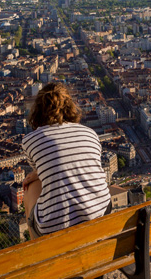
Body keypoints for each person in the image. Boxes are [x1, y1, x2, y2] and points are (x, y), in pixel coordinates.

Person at [21, 82, 111, 238]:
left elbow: (47, 165)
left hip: (54, 227)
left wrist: (36, 174)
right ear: (71, 107)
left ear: (37, 111)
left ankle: (35, 251)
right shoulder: (90, 133)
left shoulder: (30, 140)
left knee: (31, 186)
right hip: (101, 213)